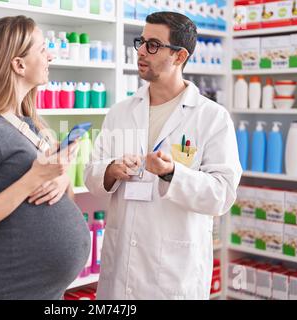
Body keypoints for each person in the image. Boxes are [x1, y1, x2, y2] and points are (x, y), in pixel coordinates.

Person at [84, 11, 242, 299]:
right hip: (120, 268)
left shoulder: (212, 118)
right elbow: (92, 175)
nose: (142, 51)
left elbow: (223, 194)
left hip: (173, 273)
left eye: (153, 45)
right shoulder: (121, 111)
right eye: (141, 42)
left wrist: (173, 174)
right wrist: (110, 170)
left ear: (179, 56)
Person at [0, 16, 90, 300]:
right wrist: (33, 179)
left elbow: (62, 200)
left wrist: (61, 175)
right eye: (42, 49)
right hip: (12, 289)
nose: (50, 55)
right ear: (18, 65)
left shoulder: (32, 124)